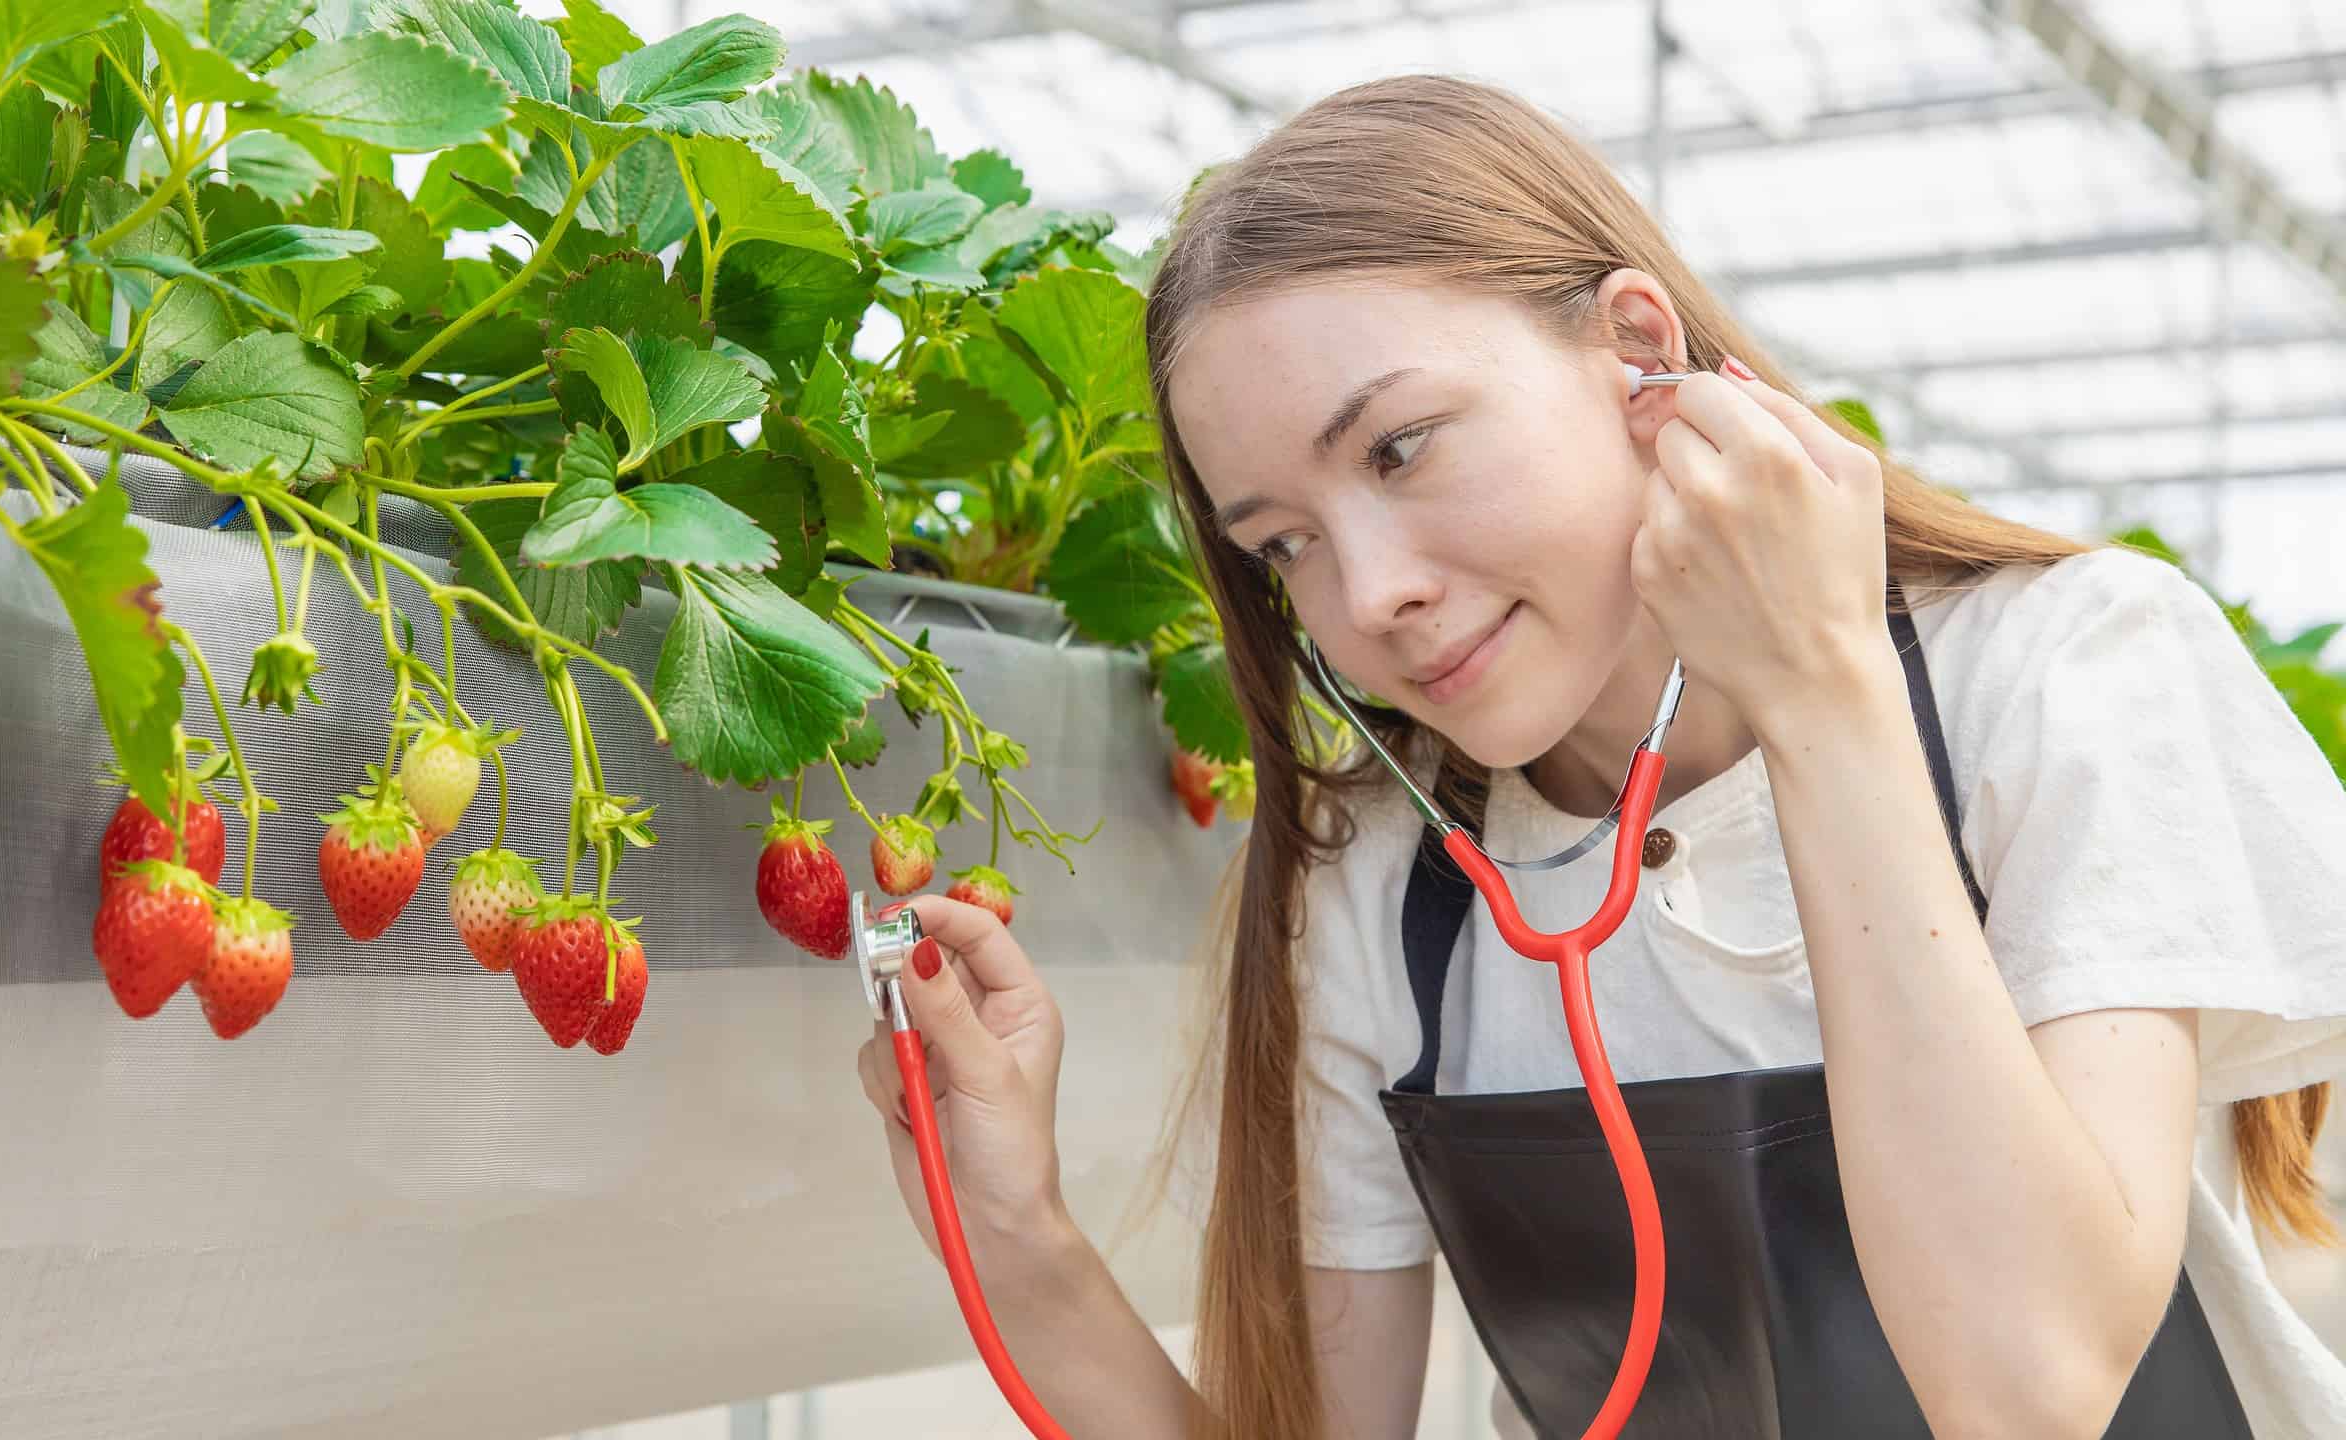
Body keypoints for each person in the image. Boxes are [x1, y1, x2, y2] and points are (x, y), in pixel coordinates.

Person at [855, 74, 2346, 1439]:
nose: (1369, 595)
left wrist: (1821, 693)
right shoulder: (1386, 887)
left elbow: (2028, 1387)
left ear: (1639, 352)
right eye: (1285, 544)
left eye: (1400, 448)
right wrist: (1020, 1240)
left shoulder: (2065, 668)